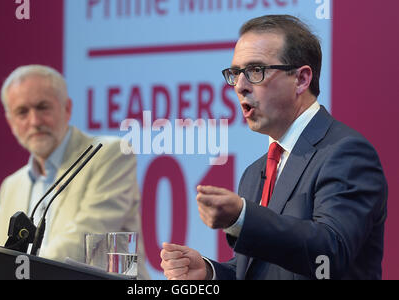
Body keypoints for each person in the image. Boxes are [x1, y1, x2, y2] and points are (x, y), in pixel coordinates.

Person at [160, 15, 388, 280]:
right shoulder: (254, 171)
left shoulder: (346, 153)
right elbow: (260, 271)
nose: (240, 87)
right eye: (235, 74)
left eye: (256, 71)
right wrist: (211, 273)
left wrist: (244, 217)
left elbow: (329, 254)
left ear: (301, 80)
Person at [0, 65, 150, 279]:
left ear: (67, 109)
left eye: (43, 107)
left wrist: (16, 268)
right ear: (10, 122)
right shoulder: (12, 185)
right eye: (22, 112)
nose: (34, 121)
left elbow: (81, 243)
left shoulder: (107, 154)